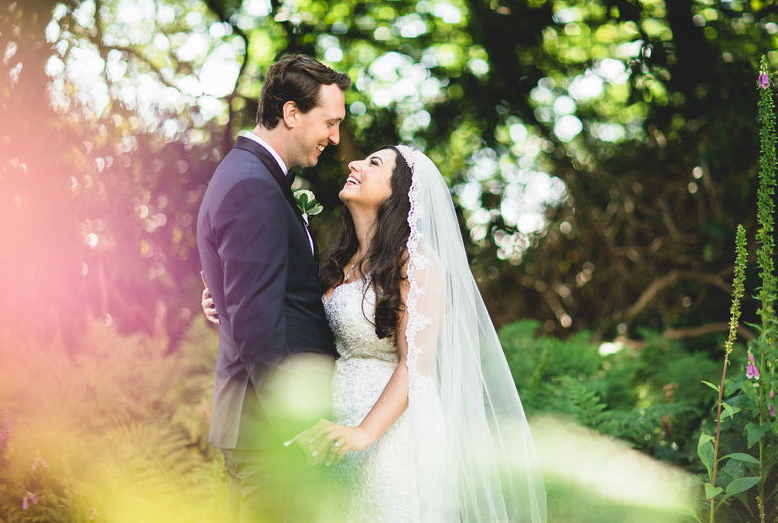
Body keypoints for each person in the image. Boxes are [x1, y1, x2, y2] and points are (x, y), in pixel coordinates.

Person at [203, 145, 547, 522]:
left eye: (373, 163)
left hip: (391, 433)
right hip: (334, 428)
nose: (354, 164)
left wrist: (364, 433)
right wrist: (230, 304)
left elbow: (415, 364)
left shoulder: (416, 264)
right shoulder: (337, 262)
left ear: (397, 192)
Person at [195, 54, 351, 523]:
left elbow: (254, 294)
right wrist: (297, 426)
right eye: (330, 122)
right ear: (290, 114)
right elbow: (256, 322)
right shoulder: (251, 185)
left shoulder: (253, 177)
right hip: (269, 431)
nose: (335, 137)